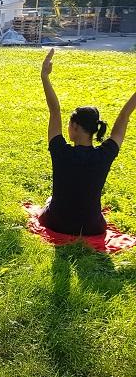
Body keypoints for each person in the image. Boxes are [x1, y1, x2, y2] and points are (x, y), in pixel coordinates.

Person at [37, 48, 136, 236]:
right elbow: (124, 115)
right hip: (92, 228)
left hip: (56, 223)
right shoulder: (105, 154)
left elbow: (54, 110)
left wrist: (45, 76)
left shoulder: (61, 152)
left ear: (74, 126)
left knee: (50, 201)